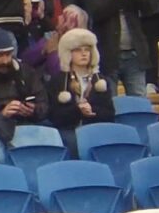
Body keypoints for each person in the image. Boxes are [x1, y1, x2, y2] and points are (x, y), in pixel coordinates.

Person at [86, 0, 150, 98]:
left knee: (138, 101)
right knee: (111, 102)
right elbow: (98, 13)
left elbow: (148, 8)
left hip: (135, 55)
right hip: (108, 56)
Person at [46, 28, 114, 156]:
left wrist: (92, 110)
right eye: (78, 50)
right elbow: (54, 115)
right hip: (69, 132)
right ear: (68, 54)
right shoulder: (58, 81)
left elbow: (110, 114)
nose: (84, 54)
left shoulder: (100, 80)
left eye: (87, 50)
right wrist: (78, 110)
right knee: (72, 142)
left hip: (95, 130)